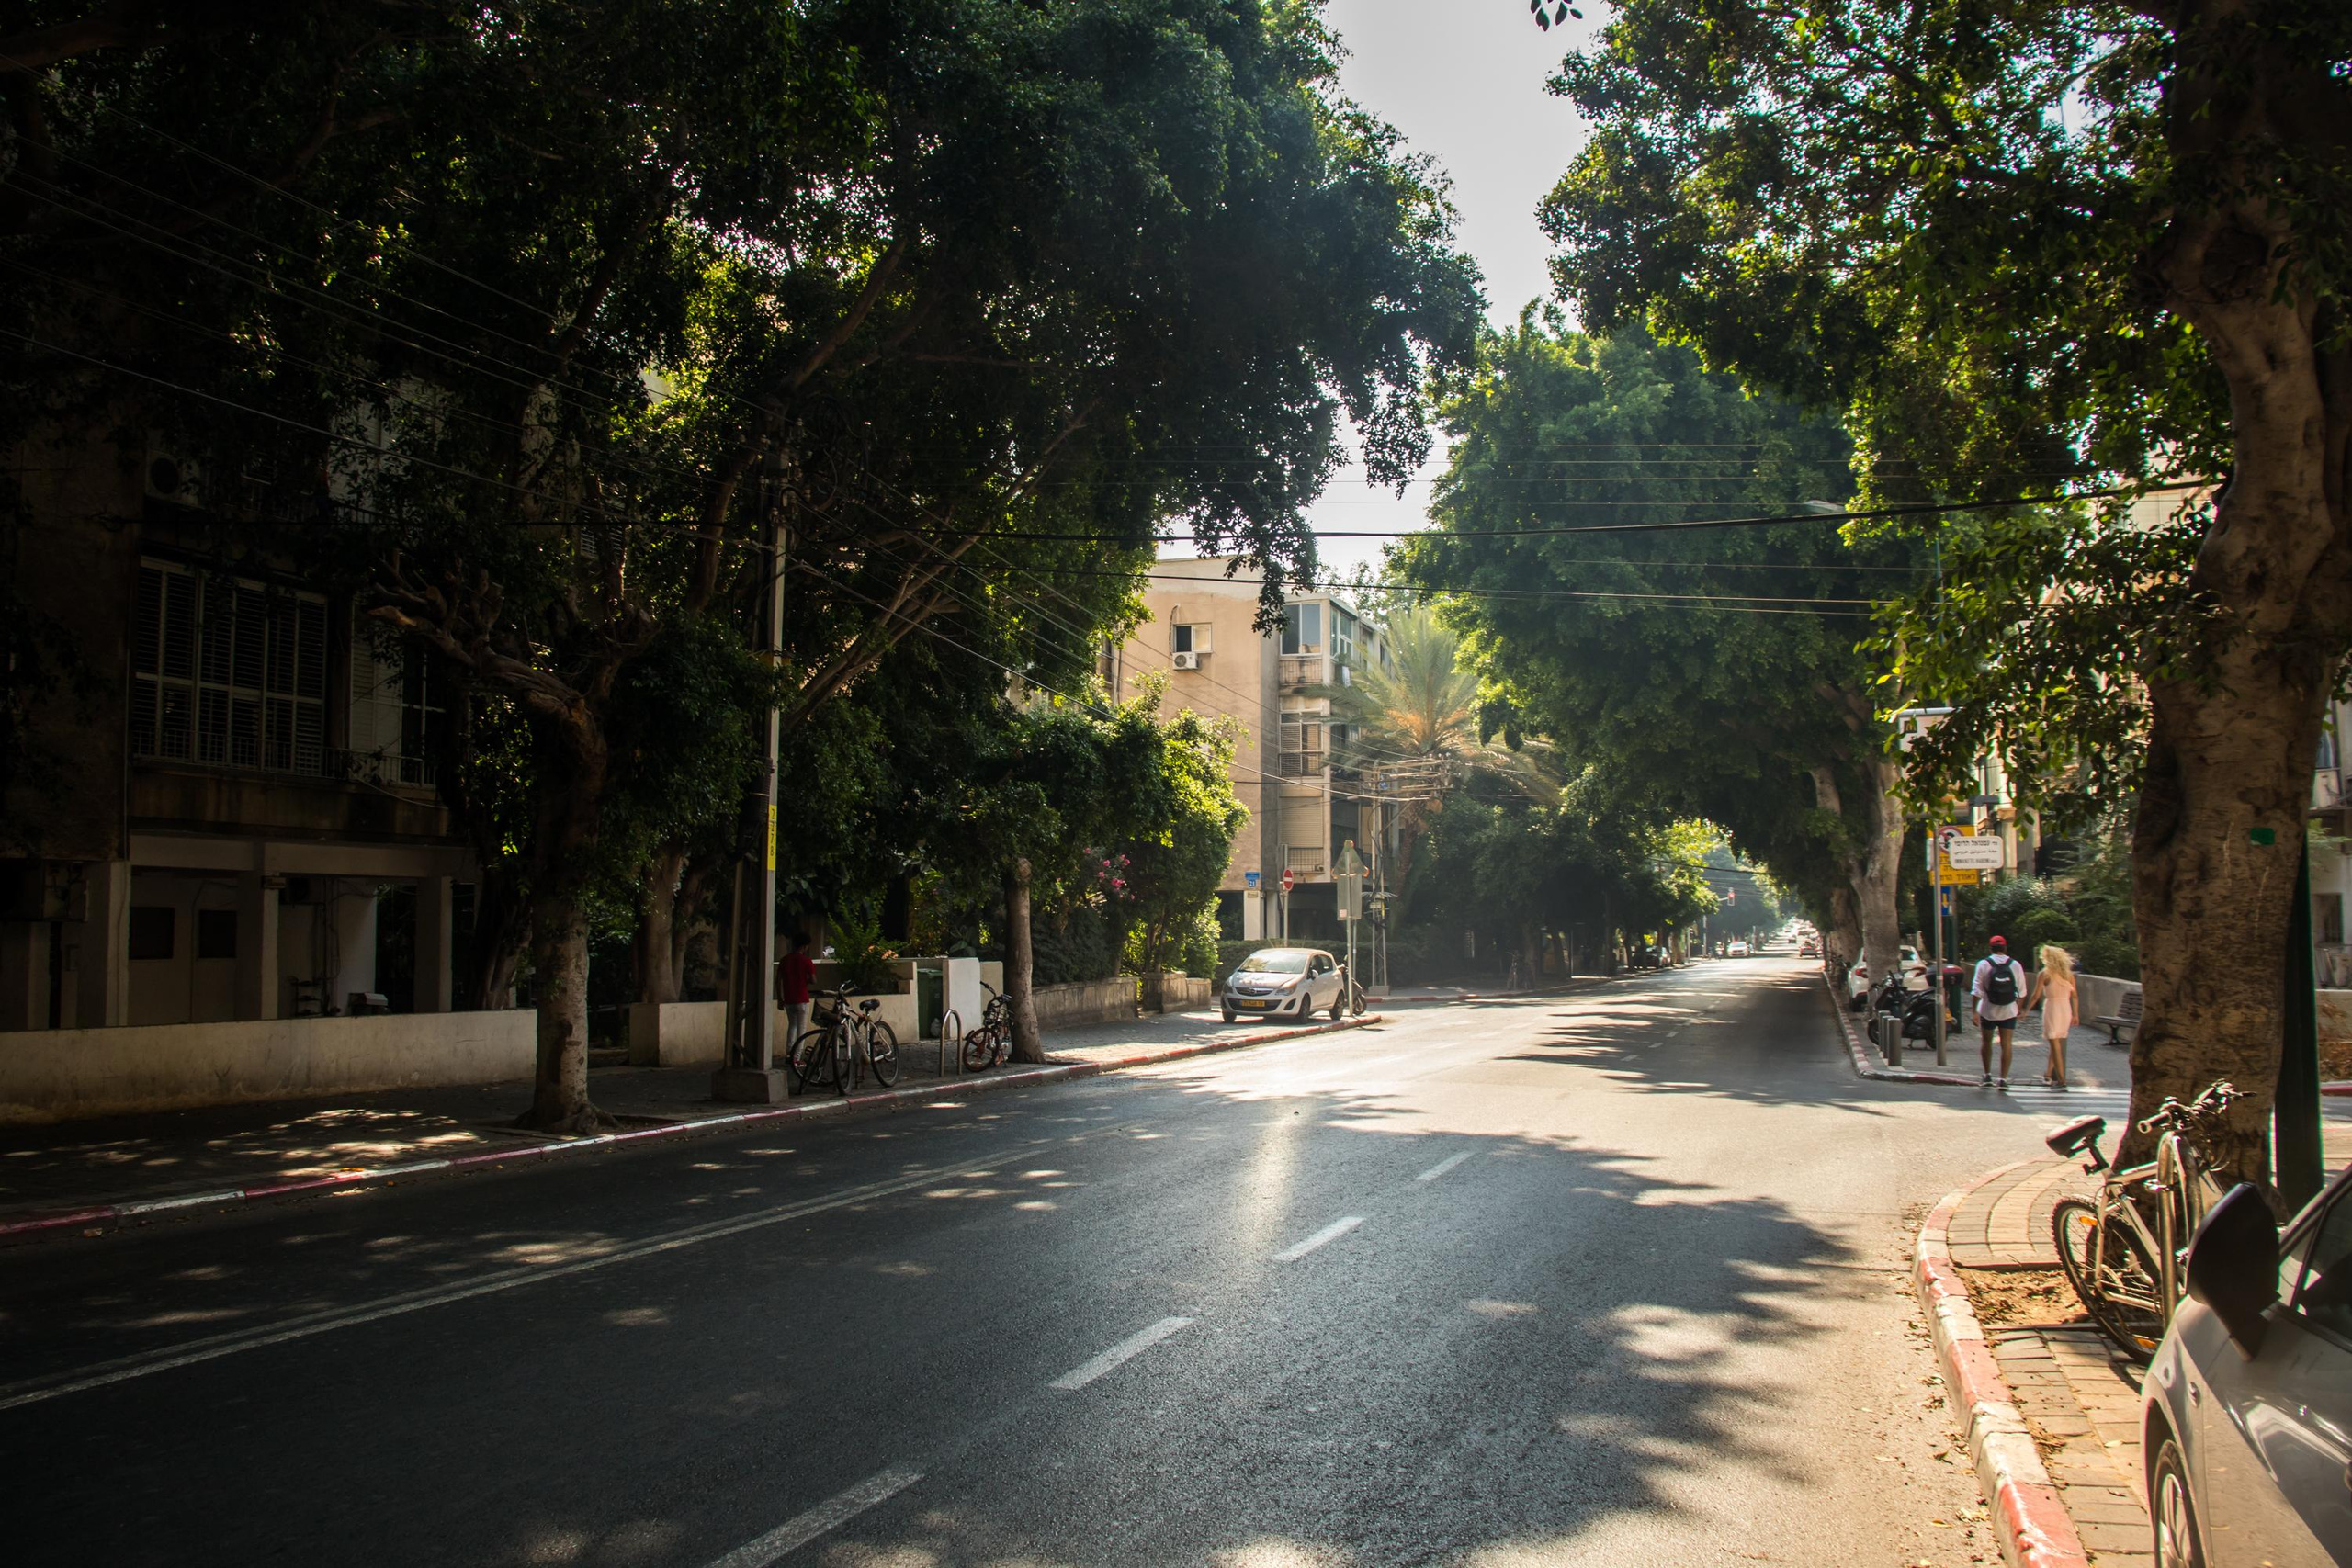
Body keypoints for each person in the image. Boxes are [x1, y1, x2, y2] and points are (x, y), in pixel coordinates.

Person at [1972, 934, 2026, 1088]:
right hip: (2008, 1010)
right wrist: (2018, 1009)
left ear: (1990, 948)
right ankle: (2003, 1079)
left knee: (1986, 1041)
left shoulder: (1983, 964)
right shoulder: (2015, 965)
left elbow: (1976, 990)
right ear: (2005, 948)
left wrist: (1975, 1012)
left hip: (1988, 1009)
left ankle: (1987, 1075)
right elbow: (2022, 992)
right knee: (2006, 1044)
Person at [2025, 943, 2077, 1089]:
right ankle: (2048, 1074)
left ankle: (2062, 1080)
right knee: (2056, 1044)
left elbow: (2035, 996)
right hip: (2065, 1009)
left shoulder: (2045, 974)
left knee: (2055, 1046)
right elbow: (2075, 996)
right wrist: (2075, 1014)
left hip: (2052, 1008)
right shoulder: (2068, 975)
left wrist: (2026, 1010)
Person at [775, 932, 816, 1057]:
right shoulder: (807, 961)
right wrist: (805, 981)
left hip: (788, 999)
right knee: (801, 1030)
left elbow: (778, 980)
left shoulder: (785, 960)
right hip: (802, 999)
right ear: (804, 946)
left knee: (792, 1026)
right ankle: (796, 1057)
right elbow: (814, 980)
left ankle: (789, 1054)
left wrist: (780, 999)